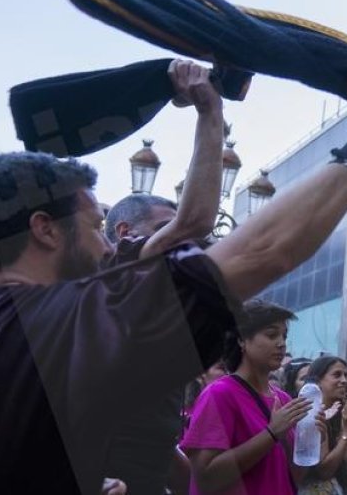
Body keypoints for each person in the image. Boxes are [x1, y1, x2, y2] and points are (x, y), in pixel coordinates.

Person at [0, 62, 347, 494]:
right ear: (44, 229)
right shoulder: (65, 321)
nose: (108, 248)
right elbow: (264, 251)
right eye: (96, 227)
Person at [102, 62, 228, 495]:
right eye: (165, 228)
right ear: (127, 235)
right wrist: (210, 112)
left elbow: (149, 431)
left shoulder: (159, 305)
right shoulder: (119, 273)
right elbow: (196, 223)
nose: (181, 242)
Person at [182, 300, 319, 494]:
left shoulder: (284, 399)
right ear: (242, 339)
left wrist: (312, 439)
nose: (281, 343)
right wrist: (271, 433)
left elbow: (293, 477)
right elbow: (205, 477)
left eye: (284, 336)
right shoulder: (220, 394)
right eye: (271, 335)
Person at [299, 355, 347, 495]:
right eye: (337, 375)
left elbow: (342, 462)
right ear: (318, 381)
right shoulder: (312, 413)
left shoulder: (340, 413)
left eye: (346, 375)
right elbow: (325, 471)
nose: (344, 381)